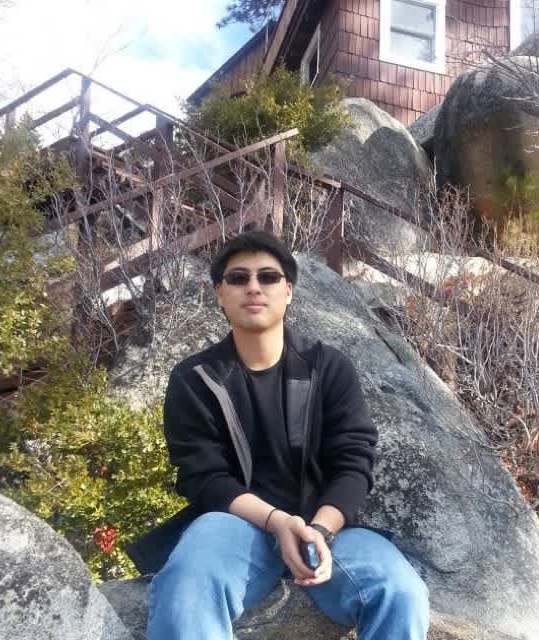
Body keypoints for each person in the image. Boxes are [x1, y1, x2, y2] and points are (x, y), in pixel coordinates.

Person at [128, 231, 429, 639]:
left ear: (288, 291)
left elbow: (354, 463)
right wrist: (277, 522)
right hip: (234, 529)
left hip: (327, 531)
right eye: (238, 278)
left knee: (401, 593)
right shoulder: (196, 380)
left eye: (268, 277)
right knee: (186, 589)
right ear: (220, 293)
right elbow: (205, 478)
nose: (253, 287)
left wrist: (318, 530)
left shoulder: (328, 368)